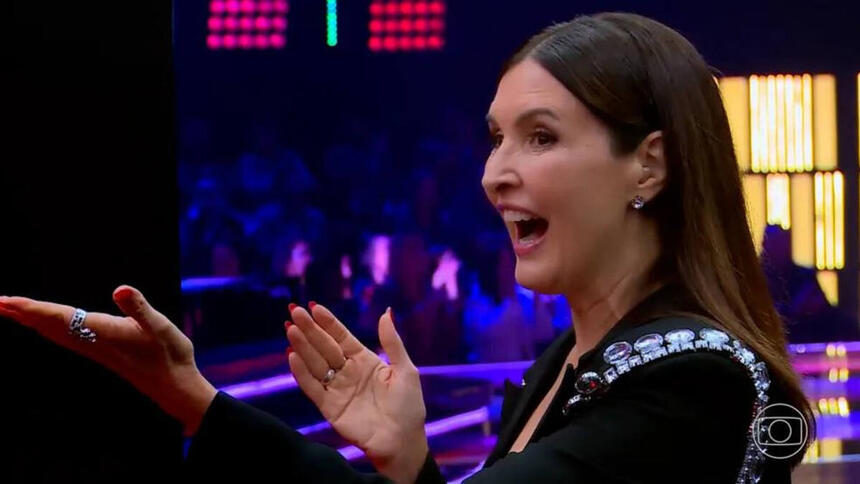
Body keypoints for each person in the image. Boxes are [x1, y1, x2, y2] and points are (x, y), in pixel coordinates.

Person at [0, 13, 814, 483]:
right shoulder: (564, 360)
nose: (496, 174)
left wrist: (200, 407)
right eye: (497, 139)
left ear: (651, 162)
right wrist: (412, 462)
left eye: (540, 137)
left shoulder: (694, 383)